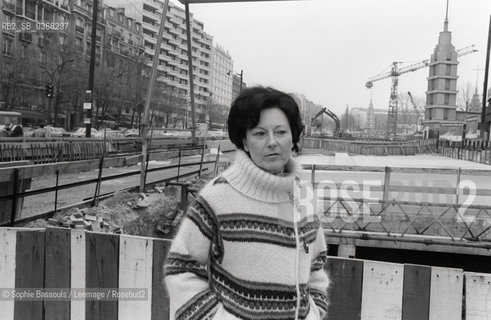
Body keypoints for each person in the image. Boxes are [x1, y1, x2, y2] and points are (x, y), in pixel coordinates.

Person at [164, 87, 329, 320]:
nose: (272, 142)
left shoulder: (305, 198)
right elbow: (181, 269)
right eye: (260, 134)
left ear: (293, 138)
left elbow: (317, 266)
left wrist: (314, 311)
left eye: (281, 132)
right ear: (244, 140)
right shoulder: (218, 198)